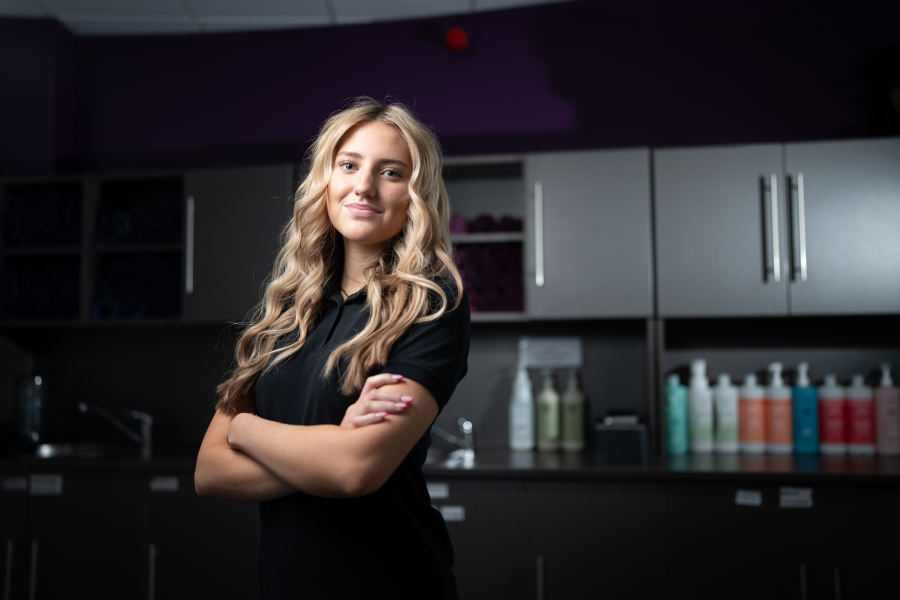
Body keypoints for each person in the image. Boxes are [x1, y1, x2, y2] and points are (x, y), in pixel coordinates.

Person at [194, 98, 470, 600]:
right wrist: (328, 450)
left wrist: (243, 427)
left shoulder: (430, 304)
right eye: (349, 165)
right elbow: (210, 472)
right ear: (326, 179)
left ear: (415, 195)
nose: (363, 186)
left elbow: (354, 470)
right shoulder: (285, 312)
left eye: (390, 172)